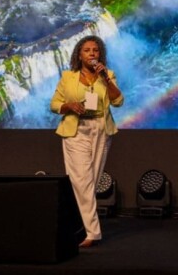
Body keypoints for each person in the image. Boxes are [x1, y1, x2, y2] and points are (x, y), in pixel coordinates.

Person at [50, 35, 123, 248]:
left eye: (95, 50)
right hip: (76, 130)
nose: (92, 53)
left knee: (91, 181)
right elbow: (54, 104)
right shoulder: (68, 77)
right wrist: (69, 106)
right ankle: (92, 232)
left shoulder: (108, 75)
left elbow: (118, 101)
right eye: (87, 50)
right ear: (79, 55)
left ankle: (77, 227)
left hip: (101, 129)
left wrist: (105, 79)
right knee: (82, 181)